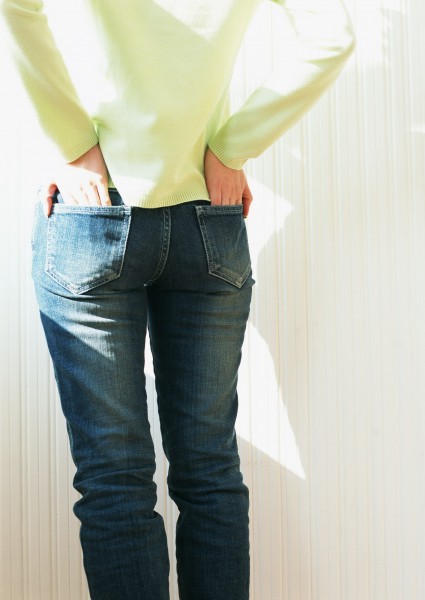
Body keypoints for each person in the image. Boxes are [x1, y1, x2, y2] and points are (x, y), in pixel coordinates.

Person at [0, 1, 355, 598]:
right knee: (210, 471)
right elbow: (334, 34)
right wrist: (229, 149)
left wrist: (74, 143)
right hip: (206, 217)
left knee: (115, 477)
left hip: (93, 206)